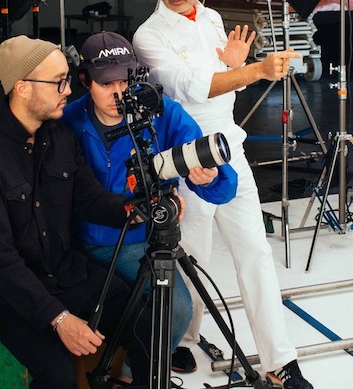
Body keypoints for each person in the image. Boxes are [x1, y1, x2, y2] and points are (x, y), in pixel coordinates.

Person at [132, 0, 314, 389]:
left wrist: (231, 65)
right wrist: (253, 71)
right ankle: (179, 337)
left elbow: (219, 82)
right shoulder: (148, 35)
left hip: (230, 150)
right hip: (184, 159)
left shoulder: (212, 19)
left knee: (255, 253)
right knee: (190, 258)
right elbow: (190, 86)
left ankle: (280, 361)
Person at [0, 36, 153, 389]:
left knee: (143, 324)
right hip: (3, 293)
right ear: (22, 88)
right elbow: (0, 262)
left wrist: (137, 209)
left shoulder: (59, 136)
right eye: (58, 81)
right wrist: (59, 318)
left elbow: (90, 200)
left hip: (61, 270)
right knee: (59, 376)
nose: (68, 90)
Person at [61, 31, 237, 377]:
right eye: (104, 83)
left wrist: (210, 176)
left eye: (125, 80)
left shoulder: (163, 112)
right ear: (84, 81)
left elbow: (221, 183)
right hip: (85, 241)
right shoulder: (67, 120)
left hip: (143, 238)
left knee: (177, 311)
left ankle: (133, 370)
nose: (118, 93)